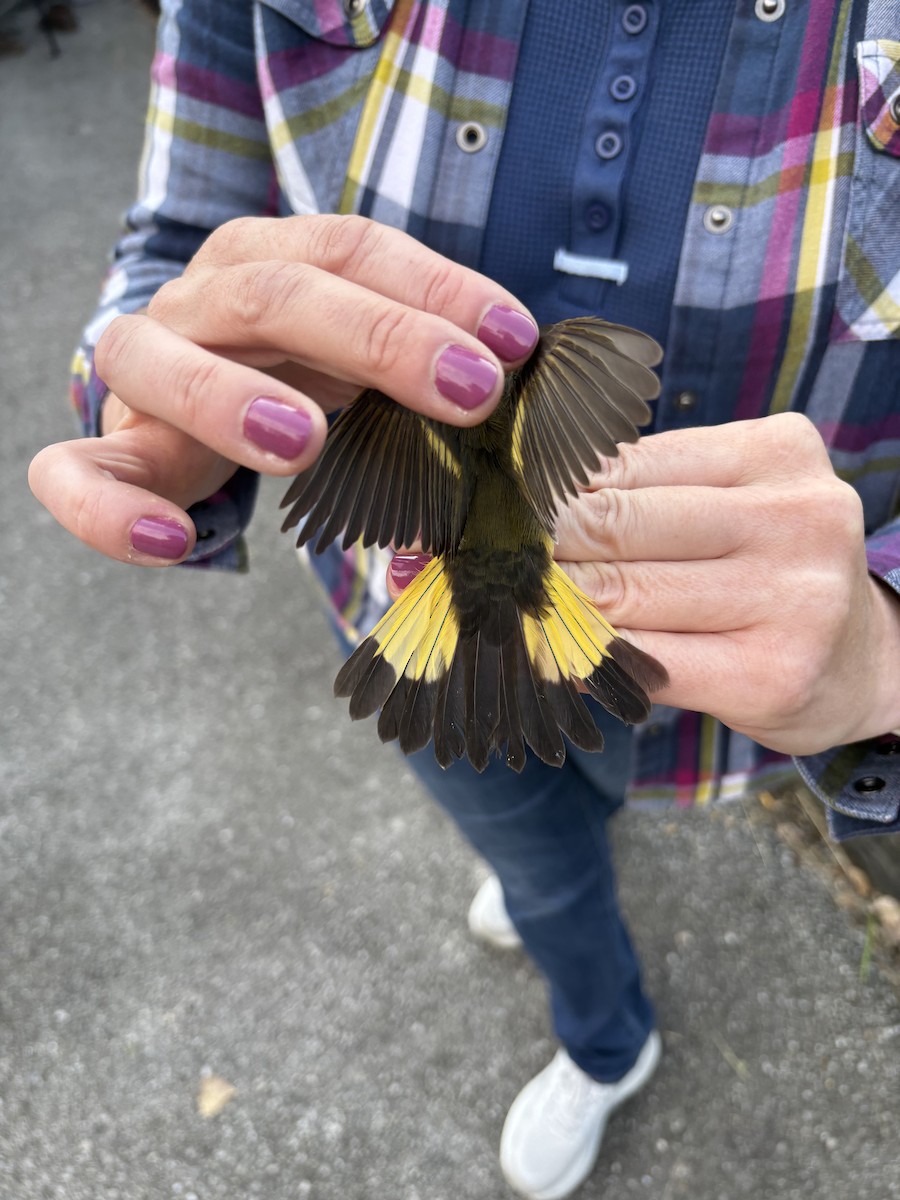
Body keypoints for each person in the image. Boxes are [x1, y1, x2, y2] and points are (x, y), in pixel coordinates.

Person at [28, 2, 900, 1197]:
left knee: (582, 813)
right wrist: (158, 384)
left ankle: (570, 870)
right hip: (418, 626)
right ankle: (606, 1040)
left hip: (730, 673)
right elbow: (174, 246)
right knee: (541, 868)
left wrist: (887, 632)